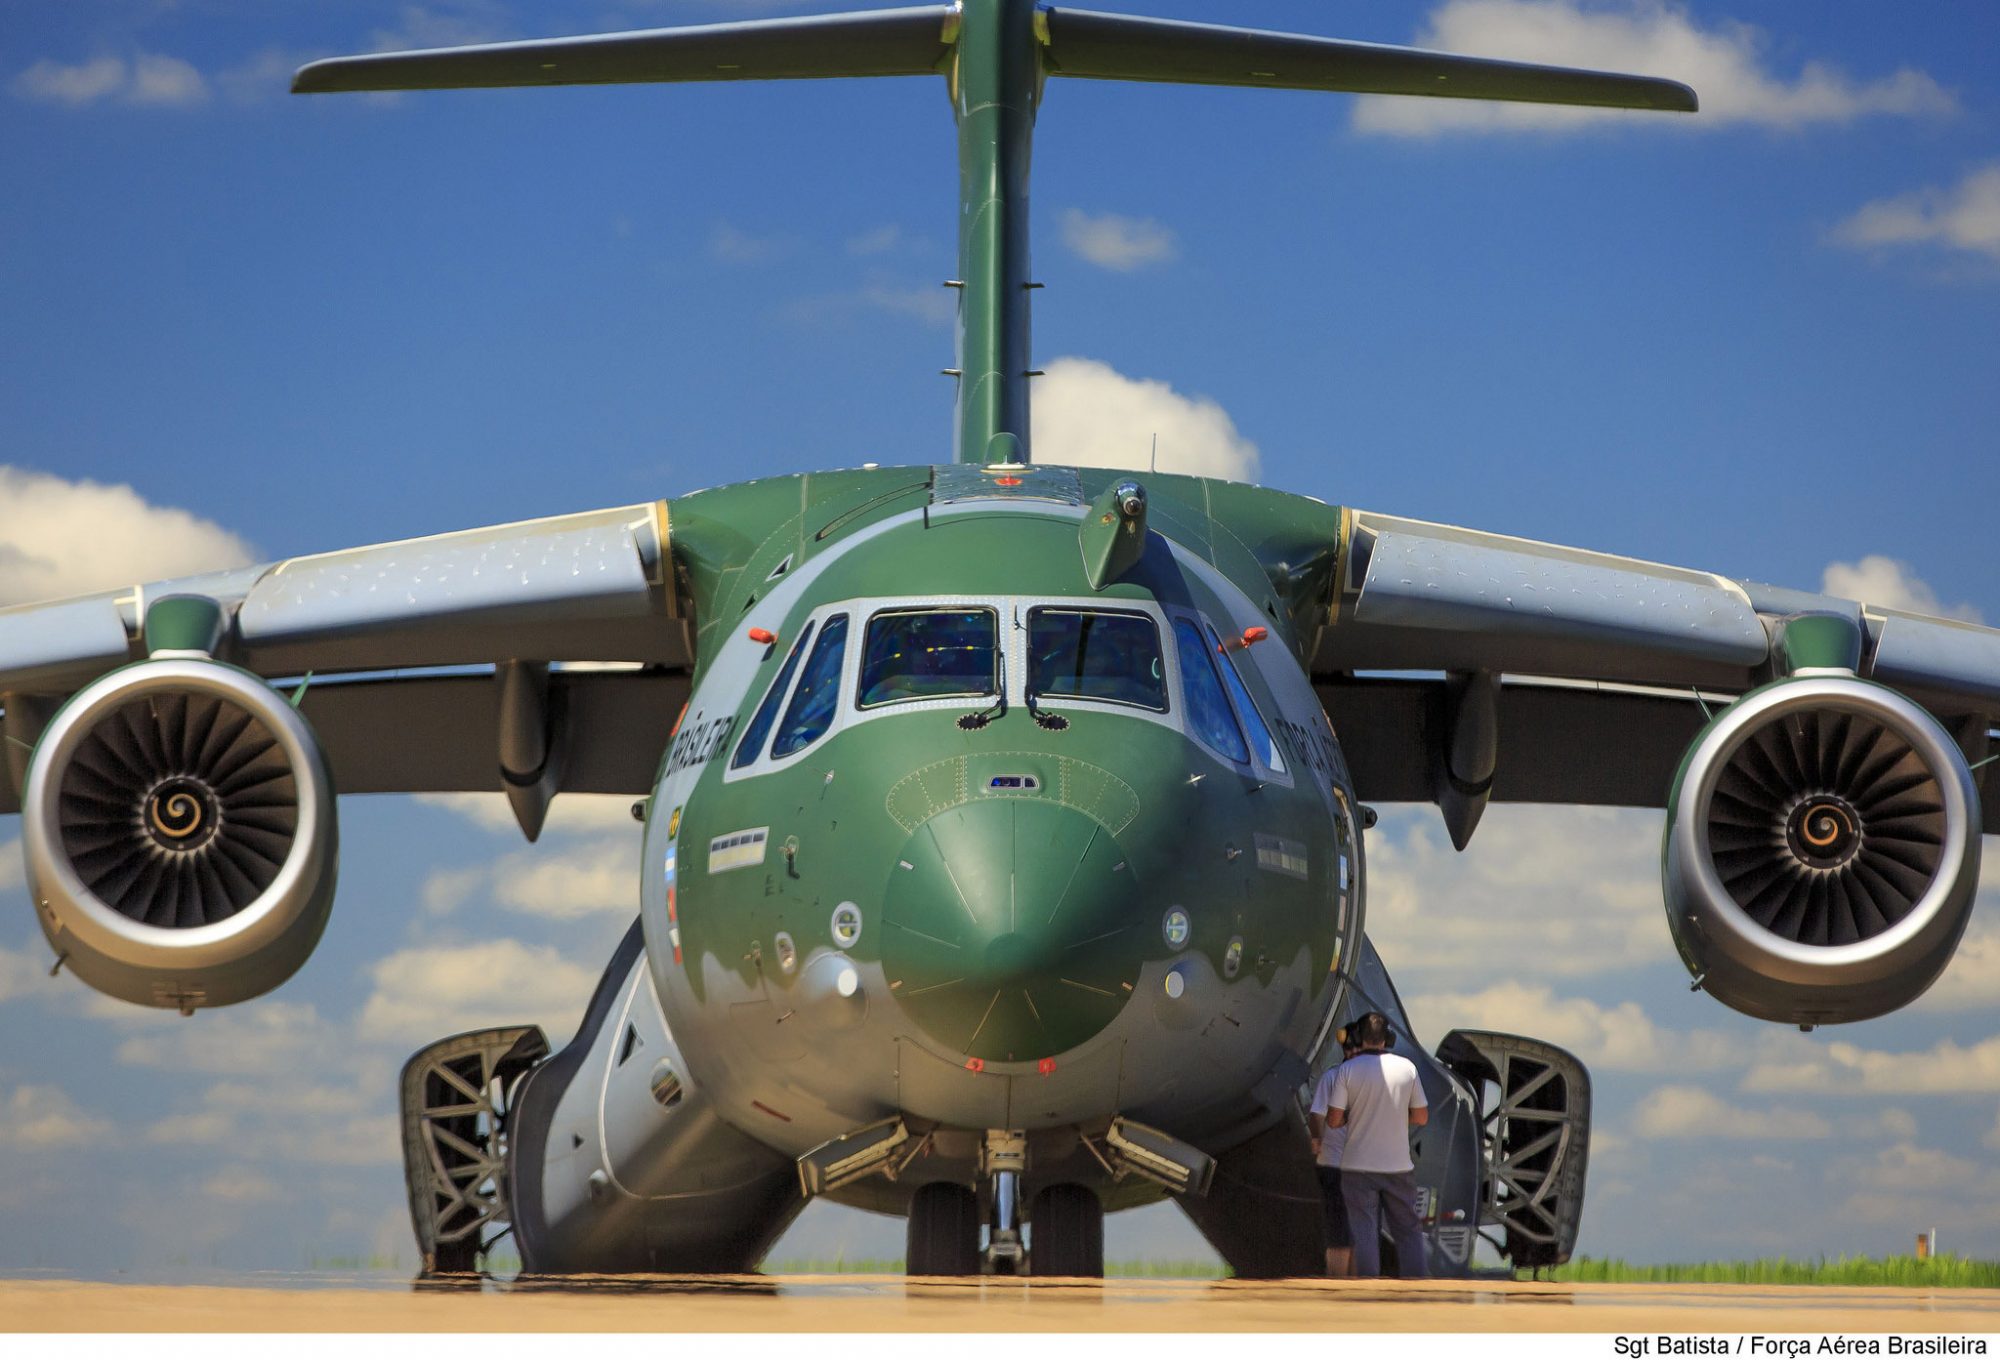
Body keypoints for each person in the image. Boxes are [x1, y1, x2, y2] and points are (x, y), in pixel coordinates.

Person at [1325, 1011, 1429, 1279]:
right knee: (1408, 1229)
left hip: (1357, 1166)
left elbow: (1334, 1120)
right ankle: (1418, 1285)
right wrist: (1395, 1115)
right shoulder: (1407, 1069)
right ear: (1388, 1039)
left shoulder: (1347, 1071)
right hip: (1397, 1166)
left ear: (1359, 1037)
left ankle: (1367, 1289)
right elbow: (1421, 1117)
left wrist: (1356, 1115)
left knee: (1363, 1231)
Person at [1307, 1028, 1365, 1277]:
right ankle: (1348, 1284)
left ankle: (1339, 1284)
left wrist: (1318, 1139)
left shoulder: (1331, 1077)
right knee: (1352, 1232)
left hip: (1333, 1163)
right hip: (1359, 1167)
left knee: (1339, 1231)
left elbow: (1316, 1115)